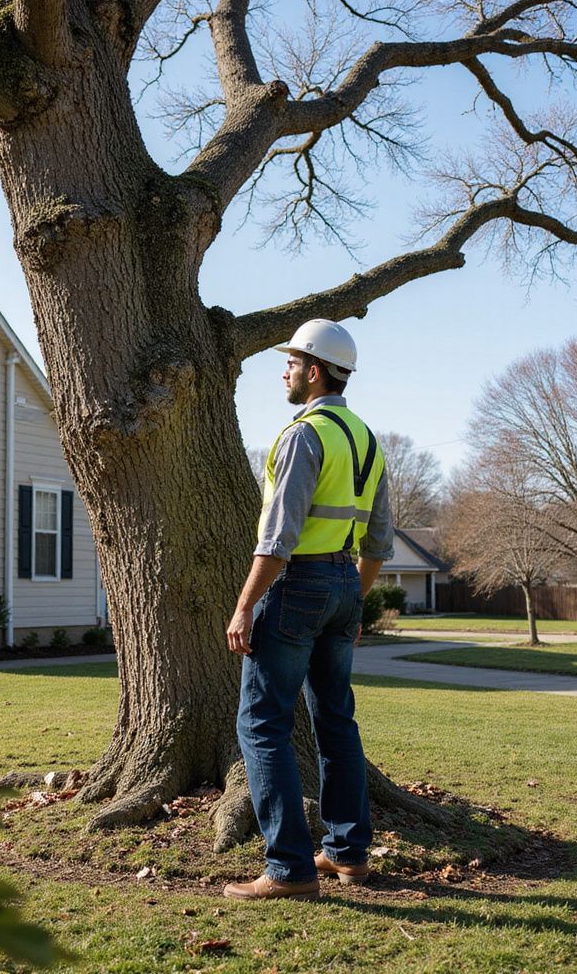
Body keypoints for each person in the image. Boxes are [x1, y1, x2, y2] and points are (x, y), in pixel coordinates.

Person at [223, 318, 394, 902]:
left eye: (292, 362)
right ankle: (348, 856)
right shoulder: (368, 441)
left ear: (315, 371)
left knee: (262, 723)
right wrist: (353, 598)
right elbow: (379, 542)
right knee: (336, 721)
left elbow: (278, 539)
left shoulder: (302, 436)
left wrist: (244, 607)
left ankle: (289, 870)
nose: (285, 370)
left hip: (296, 584)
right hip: (346, 581)